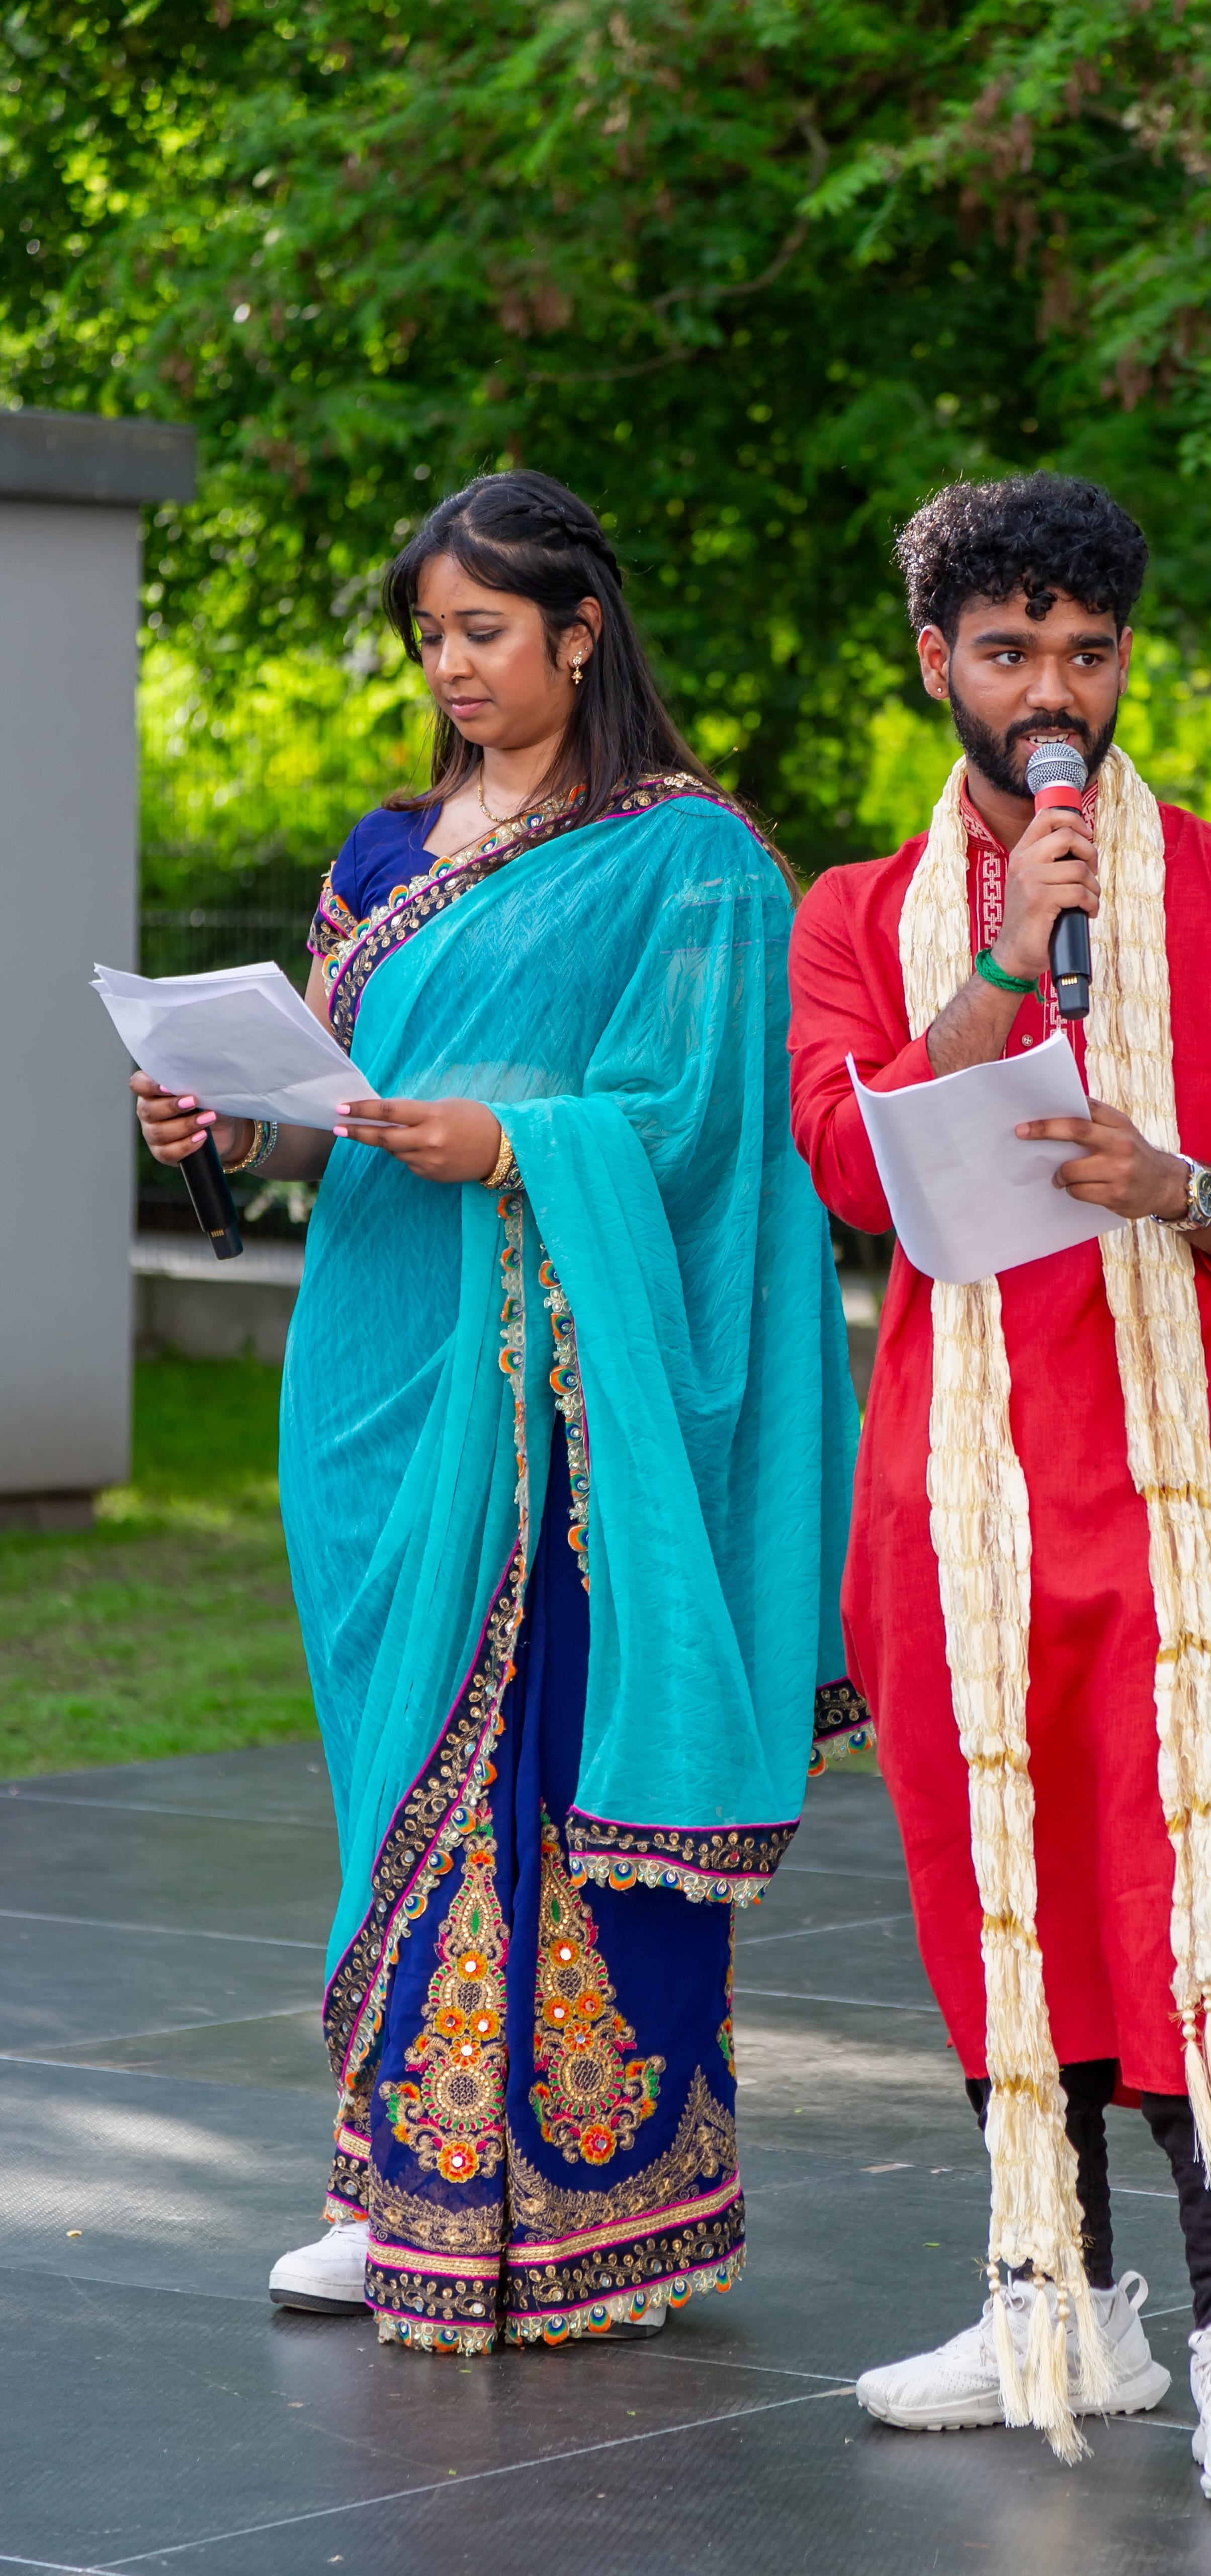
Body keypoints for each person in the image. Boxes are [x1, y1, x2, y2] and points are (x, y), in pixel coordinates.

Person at [135, 469, 866, 2356]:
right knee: (401, 1780)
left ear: (580, 630)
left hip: (565, 1400)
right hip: (376, 1371)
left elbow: (712, 1128)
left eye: (484, 630)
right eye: (431, 637)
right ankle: (397, 2182)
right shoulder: (386, 855)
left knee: (545, 1769)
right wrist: (234, 1127)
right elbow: (339, 1100)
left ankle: (605, 2196)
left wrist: (517, 1142)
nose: (452, 667)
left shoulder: (692, 859)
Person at [786, 473, 1211, 2499]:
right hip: (956, 1497)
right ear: (936, 659)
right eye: (1011, 650)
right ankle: (1059, 2305)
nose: (1054, 691)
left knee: (1196, 1887)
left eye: (1088, 654)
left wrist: (1177, 1185)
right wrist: (1000, 963)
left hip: (1181, 1494)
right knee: (995, 1881)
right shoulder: (854, 918)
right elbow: (849, 1166)